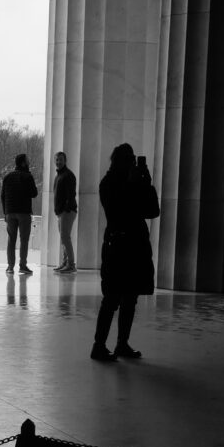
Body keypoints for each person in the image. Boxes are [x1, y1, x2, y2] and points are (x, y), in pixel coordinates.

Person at [91, 143, 159, 362]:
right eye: (129, 159)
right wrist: (132, 185)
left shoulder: (136, 183)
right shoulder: (109, 183)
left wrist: (146, 184)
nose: (132, 163)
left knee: (130, 298)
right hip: (118, 245)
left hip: (134, 245)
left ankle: (122, 344)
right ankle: (99, 346)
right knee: (112, 298)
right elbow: (117, 211)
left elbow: (152, 211)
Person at [1, 152, 37, 274]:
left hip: (10, 212)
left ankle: (10, 267)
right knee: (24, 240)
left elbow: (3, 196)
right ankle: (23, 265)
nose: (29, 162)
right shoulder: (28, 177)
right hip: (24, 212)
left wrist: (5, 212)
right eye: (27, 160)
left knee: (11, 239)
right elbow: (34, 193)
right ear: (23, 163)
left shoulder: (7, 177)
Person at [52, 150, 77, 272]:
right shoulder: (59, 176)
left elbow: (71, 194)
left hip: (67, 211)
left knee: (65, 237)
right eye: (57, 160)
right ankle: (65, 262)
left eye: (60, 160)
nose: (58, 162)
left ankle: (71, 265)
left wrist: (65, 209)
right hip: (61, 212)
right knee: (64, 238)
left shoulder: (68, 175)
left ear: (65, 161)